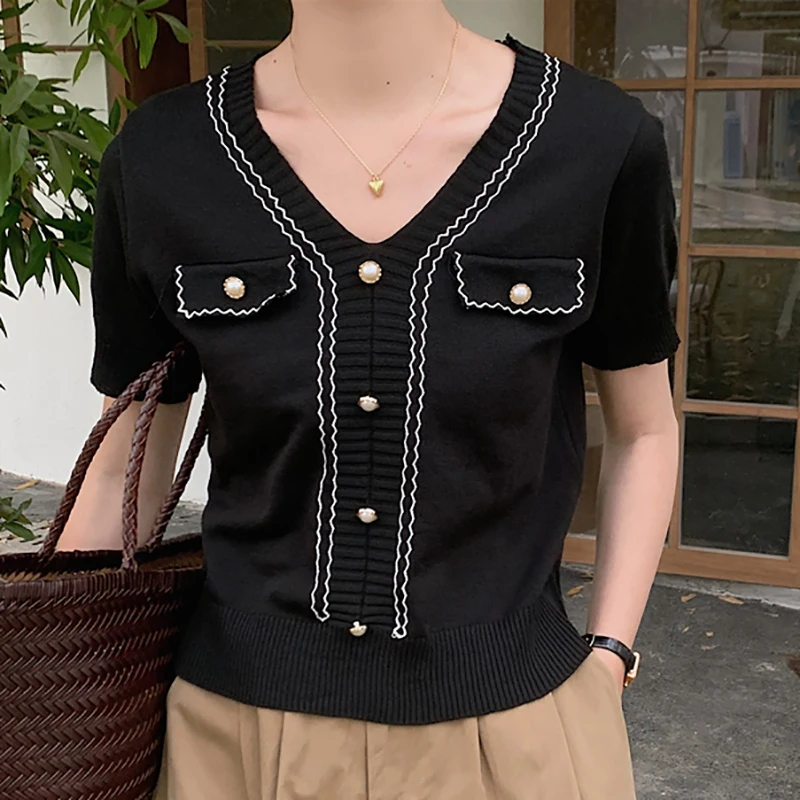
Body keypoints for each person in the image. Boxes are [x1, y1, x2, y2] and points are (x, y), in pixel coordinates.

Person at [60, 1, 681, 797]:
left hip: (522, 734)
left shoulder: (595, 143)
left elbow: (644, 430)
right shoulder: (163, 157)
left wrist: (609, 655)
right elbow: (121, 471)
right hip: (233, 742)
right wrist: (56, 690)